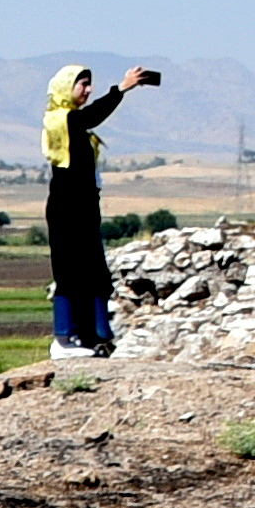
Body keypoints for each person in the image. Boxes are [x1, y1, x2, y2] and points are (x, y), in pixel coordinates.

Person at [41, 62, 161, 355]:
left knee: (94, 272)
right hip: (67, 209)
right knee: (70, 274)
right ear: (66, 88)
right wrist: (121, 89)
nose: (88, 89)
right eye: (83, 84)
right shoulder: (60, 119)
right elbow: (90, 116)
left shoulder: (75, 123)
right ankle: (65, 338)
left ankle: (97, 336)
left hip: (84, 207)